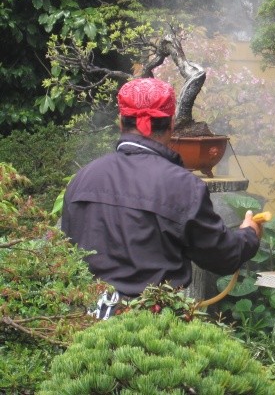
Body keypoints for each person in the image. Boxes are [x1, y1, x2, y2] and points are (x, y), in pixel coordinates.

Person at [61, 77, 262, 314]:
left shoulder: (83, 178)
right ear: (172, 124)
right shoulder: (182, 186)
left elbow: (66, 253)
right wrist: (249, 234)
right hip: (153, 329)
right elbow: (220, 257)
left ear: (120, 122)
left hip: (85, 323)